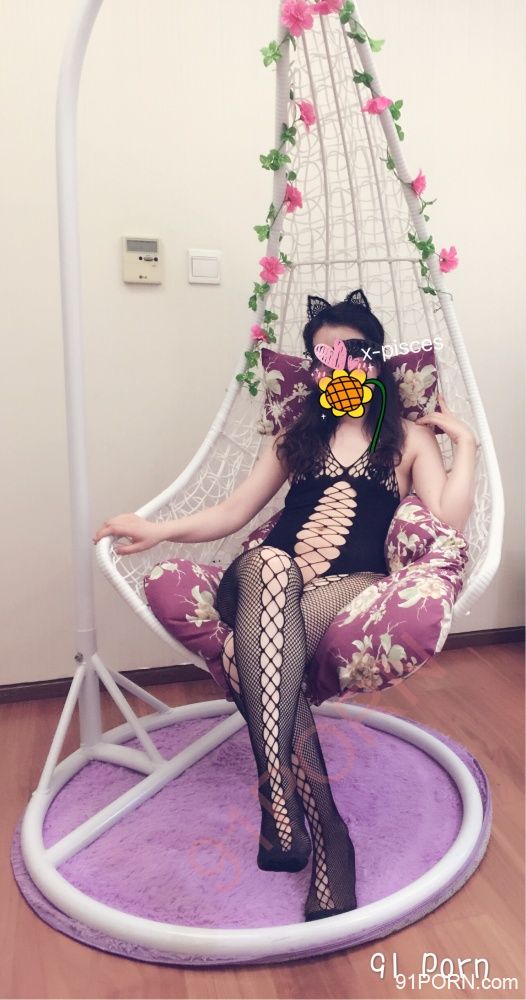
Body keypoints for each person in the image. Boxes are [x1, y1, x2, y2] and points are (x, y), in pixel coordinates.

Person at [92, 288, 478, 923]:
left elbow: (448, 518)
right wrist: (159, 528)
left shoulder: (407, 439)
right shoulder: (295, 438)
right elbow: (233, 512)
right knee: (270, 567)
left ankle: (313, 828)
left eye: (355, 351)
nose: (342, 365)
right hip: (260, 582)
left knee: (274, 661)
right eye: (326, 356)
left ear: (376, 360)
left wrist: (466, 443)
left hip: (347, 588)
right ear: (315, 370)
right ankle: (293, 803)